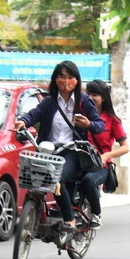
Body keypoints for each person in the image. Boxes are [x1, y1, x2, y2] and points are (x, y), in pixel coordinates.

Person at [14, 60, 104, 231]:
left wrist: (88, 124)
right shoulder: (49, 102)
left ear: (77, 80)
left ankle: (69, 219)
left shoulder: (83, 101)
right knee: (33, 179)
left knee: (57, 179)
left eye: (70, 77)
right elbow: (34, 114)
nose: (66, 81)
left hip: (73, 151)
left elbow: (99, 125)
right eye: (62, 77)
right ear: (55, 79)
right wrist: (23, 122)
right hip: (48, 150)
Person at [83, 79, 130, 229]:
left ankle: (96, 214)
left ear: (103, 98)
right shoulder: (80, 115)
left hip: (100, 165)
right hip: (79, 161)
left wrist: (107, 156)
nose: (90, 97)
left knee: (88, 181)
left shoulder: (112, 120)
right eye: (88, 93)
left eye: (94, 94)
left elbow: (125, 147)